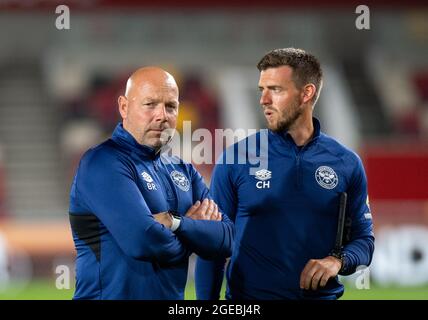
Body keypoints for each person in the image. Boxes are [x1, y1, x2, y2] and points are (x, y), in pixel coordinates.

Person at [195, 48, 375, 300]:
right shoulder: (236, 158)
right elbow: (211, 247)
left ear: (307, 93)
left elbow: (364, 241)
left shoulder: (346, 163)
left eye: (275, 90)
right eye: (262, 90)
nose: (263, 100)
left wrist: (337, 261)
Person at [68, 67, 234, 300]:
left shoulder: (183, 170)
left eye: (170, 106)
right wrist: (193, 236)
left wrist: (174, 223)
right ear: (124, 107)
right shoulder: (102, 163)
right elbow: (143, 242)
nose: (162, 115)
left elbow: (226, 239)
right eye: (150, 104)